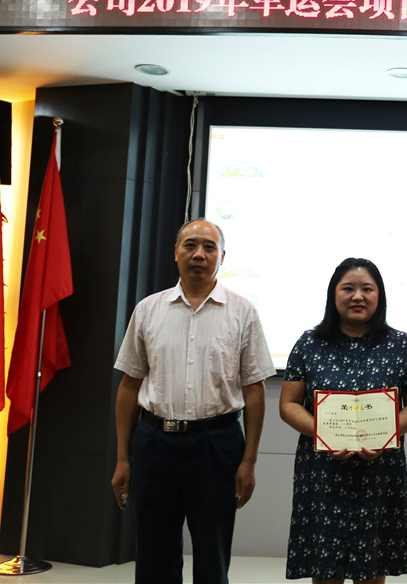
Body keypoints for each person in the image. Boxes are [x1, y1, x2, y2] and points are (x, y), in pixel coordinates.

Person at [111, 218, 273, 584]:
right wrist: (123, 457)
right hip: (153, 444)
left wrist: (249, 461)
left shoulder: (242, 312)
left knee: (212, 558)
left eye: (209, 247)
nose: (199, 254)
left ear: (222, 257)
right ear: (176, 253)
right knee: (153, 559)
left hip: (216, 446)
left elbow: (254, 390)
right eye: (190, 245)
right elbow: (129, 387)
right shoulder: (148, 310)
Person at [279, 257, 407, 584]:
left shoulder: (400, 344)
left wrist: (385, 435)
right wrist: (324, 433)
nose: (357, 296)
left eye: (367, 289)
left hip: (379, 470)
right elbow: (288, 404)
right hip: (322, 470)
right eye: (348, 288)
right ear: (333, 294)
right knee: (325, 569)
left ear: (379, 295)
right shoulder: (309, 342)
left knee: (372, 569)